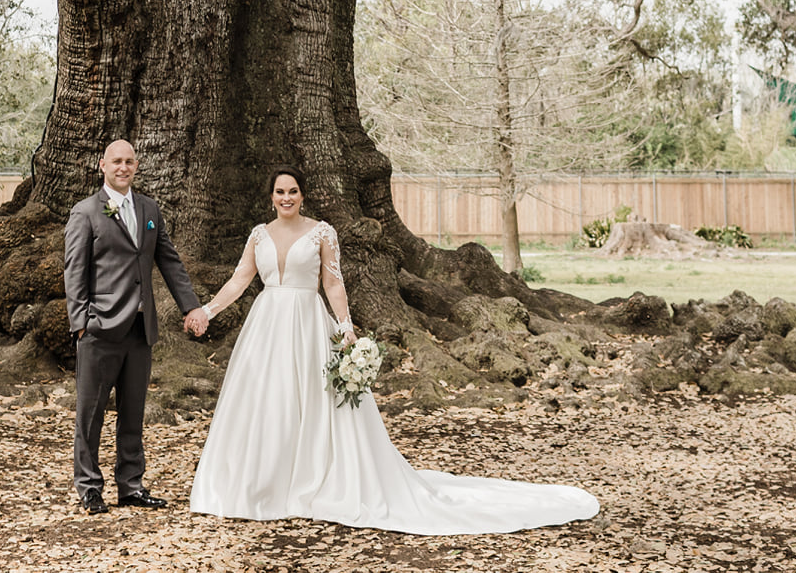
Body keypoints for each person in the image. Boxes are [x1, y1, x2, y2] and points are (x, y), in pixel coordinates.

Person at [186, 168, 599, 533]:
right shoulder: (259, 234)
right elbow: (240, 280)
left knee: (311, 400)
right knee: (267, 400)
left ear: (303, 195)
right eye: (280, 192)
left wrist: (345, 328)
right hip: (267, 325)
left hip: (307, 323)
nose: (287, 198)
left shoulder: (321, 232)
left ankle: (309, 479)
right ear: (271, 196)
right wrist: (206, 310)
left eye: (293, 191)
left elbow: (333, 283)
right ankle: (261, 483)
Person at [63, 139, 208, 515]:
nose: (123, 167)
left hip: (141, 329)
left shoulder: (148, 209)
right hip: (100, 329)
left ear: (136, 166)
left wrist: (190, 307)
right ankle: (89, 487)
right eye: (116, 162)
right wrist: (82, 324)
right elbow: (74, 272)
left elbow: (169, 262)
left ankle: (130, 485)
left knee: (133, 412)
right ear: (102, 166)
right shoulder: (85, 214)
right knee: (90, 414)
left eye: (129, 161)